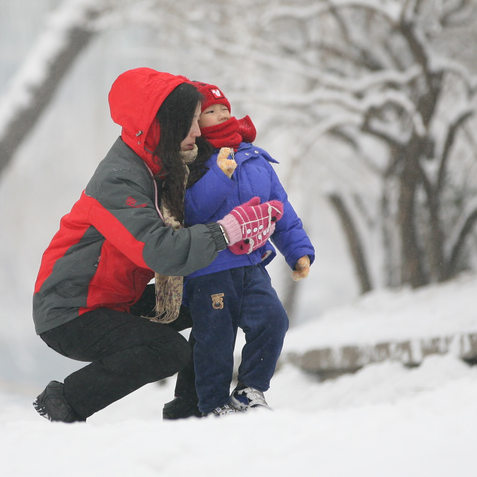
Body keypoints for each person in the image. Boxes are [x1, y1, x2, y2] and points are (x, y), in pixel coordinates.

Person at [31, 68, 283, 423]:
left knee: (210, 299)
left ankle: (191, 409)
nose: (198, 131)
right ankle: (66, 402)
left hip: (116, 300)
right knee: (166, 350)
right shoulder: (121, 179)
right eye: (190, 123)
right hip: (71, 311)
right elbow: (161, 250)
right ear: (161, 125)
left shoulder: (162, 164)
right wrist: (227, 231)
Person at [180, 81, 315, 417]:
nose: (221, 115)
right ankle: (212, 404)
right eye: (210, 112)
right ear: (195, 122)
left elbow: (280, 207)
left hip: (252, 265)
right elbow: (191, 212)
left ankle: (250, 389)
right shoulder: (192, 159)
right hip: (209, 269)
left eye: (224, 108)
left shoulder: (254, 157)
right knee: (215, 339)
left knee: (273, 320)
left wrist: (298, 251)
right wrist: (220, 174)